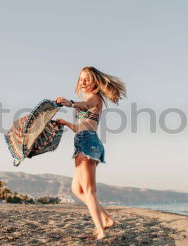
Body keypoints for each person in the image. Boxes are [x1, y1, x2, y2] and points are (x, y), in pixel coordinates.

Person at [55, 66, 126, 240]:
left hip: (87, 143)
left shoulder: (93, 97)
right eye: (81, 79)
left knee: (89, 191)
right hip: (84, 142)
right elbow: (81, 127)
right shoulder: (88, 99)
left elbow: (86, 105)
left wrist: (70, 103)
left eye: (87, 78)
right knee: (76, 188)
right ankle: (106, 219)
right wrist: (65, 123)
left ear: (95, 81)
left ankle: (100, 229)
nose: (83, 82)